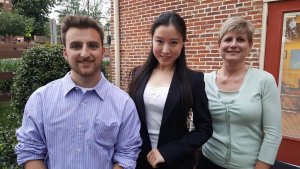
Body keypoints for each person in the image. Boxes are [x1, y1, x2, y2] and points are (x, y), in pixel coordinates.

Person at [15, 15, 142, 169]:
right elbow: (31, 152)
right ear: (65, 53)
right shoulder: (41, 99)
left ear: (103, 51)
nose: (84, 53)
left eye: (93, 46)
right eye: (75, 46)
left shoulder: (123, 104)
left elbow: (126, 155)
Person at [128, 11, 213, 169]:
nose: (165, 50)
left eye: (173, 42)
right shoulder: (138, 74)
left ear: (183, 43)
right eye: (159, 41)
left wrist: (168, 152)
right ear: (152, 40)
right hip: (138, 160)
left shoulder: (193, 80)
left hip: (175, 162)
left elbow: (204, 129)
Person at [197, 17, 282, 169]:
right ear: (219, 45)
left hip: (248, 165)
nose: (233, 44)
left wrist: (261, 166)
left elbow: (273, 133)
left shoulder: (264, 81)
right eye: (228, 39)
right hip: (208, 161)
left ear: (250, 46)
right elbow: (196, 124)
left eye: (241, 39)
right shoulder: (204, 81)